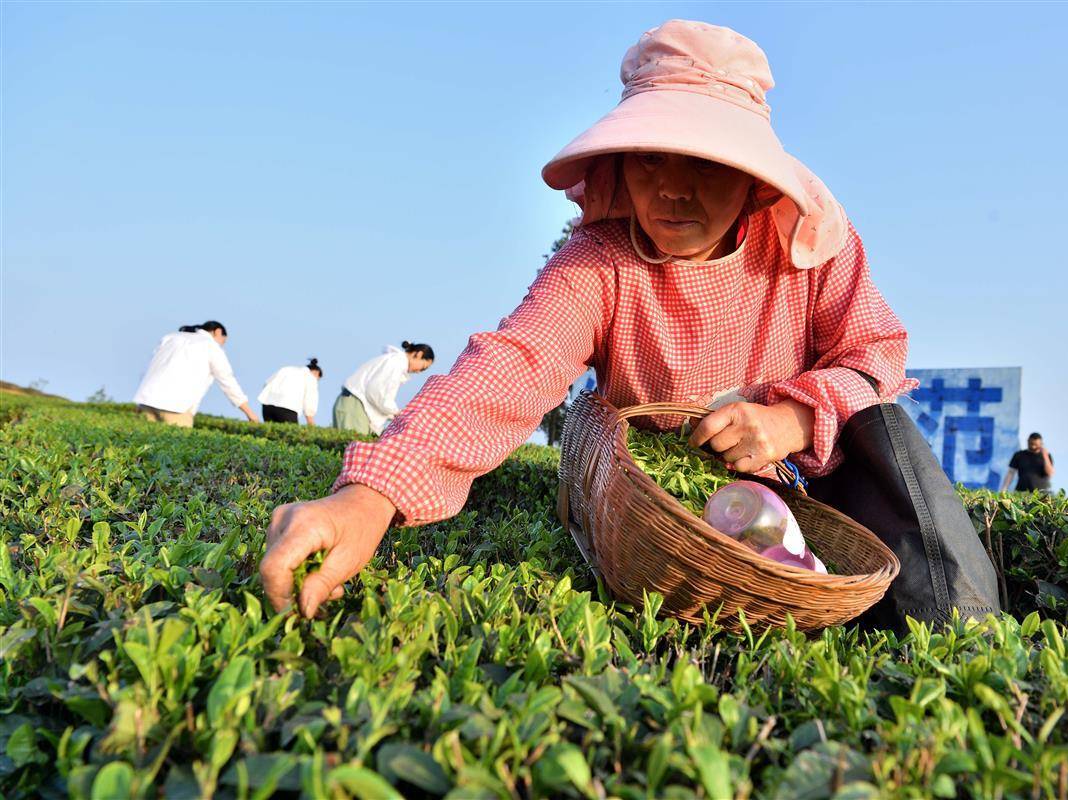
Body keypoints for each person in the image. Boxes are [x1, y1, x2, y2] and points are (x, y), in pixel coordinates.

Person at [261, 20, 998, 624]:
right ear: (623, 163)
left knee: (889, 436)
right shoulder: (601, 264)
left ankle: (957, 626)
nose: (672, 191)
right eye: (651, 160)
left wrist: (792, 422)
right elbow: (512, 367)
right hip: (665, 507)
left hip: (794, 495)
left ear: (752, 177)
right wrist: (369, 498)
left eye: (705, 163)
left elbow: (876, 356)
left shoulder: (809, 253)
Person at [134, 320, 258, 427]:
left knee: (142, 448)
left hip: (146, 400)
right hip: (175, 406)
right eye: (223, 341)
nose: (222, 345)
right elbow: (227, 381)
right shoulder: (211, 346)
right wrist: (250, 413)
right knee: (178, 450)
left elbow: (149, 367)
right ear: (218, 332)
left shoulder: (171, 337)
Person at [331, 342, 434, 435]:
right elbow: (375, 391)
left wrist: (393, 413)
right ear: (419, 354)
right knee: (354, 449)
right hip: (355, 406)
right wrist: (395, 412)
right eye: (423, 367)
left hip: (354, 405)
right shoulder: (396, 362)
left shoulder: (394, 361)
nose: (419, 371)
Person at [258, 358, 323, 425]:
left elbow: (267, 384)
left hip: (267, 407)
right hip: (288, 409)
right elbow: (310, 399)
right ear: (316, 372)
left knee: (271, 433)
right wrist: (310, 420)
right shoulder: (310, 377)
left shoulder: (286, 369)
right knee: (290, 434)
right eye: (318, 379)